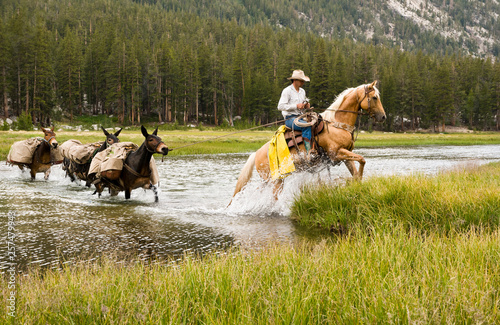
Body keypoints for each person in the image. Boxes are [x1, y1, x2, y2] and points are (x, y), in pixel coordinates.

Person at [277, 69, 316, 156]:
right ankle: (308, 153)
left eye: (303, 81)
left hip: (300, 117)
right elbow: (280, 106)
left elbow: (302, 106)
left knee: (316, 124)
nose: (303, 82)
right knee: (306, 126)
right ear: (295, 80)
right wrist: (296, 106)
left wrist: (306, 106)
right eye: (301, 80)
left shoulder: (302, 91)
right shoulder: (287, 91)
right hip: (290, 118)